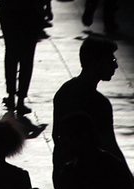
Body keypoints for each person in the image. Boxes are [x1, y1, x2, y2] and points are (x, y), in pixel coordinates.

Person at [52, 37, 129, 178]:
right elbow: (110, 145)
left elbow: (56, 135)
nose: (115, 66)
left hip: (64, 173)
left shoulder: (64, 91)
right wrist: (128, 178)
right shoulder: (99, 103)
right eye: (111, 61)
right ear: (96, 62)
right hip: (92, 177)